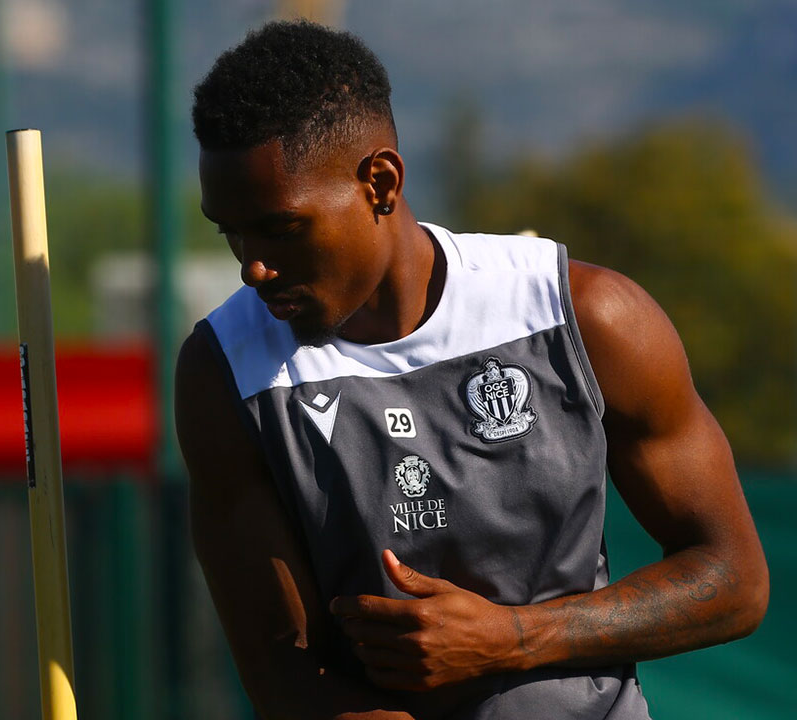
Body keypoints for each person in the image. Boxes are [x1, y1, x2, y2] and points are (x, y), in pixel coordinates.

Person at [174, 20, 768, 720]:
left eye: (280, 228)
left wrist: (513, 638)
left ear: (380, 183)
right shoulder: (224, 370)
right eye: (231, 231)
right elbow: (283, 674)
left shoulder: (585, 317)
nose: (252, 266)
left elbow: (733, 580)